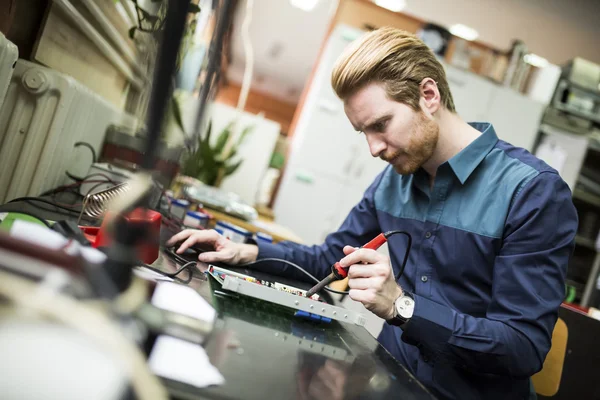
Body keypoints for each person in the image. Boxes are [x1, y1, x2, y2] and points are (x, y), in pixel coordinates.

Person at [167, 27, 578, 400]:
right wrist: (244, 251)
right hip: (387, 380)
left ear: (428, 96)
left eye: (381, 124)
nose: (374, 148)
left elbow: (521, 348)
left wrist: (402, 308)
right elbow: (332, 259)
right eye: (363, 132)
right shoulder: (393, 181)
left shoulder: (532, 192)